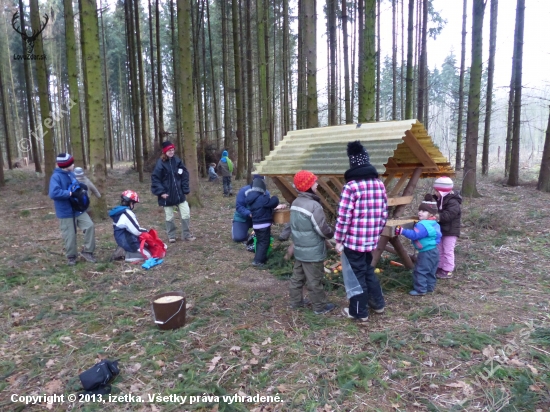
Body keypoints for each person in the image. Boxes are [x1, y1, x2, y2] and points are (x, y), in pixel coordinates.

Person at [334, 141, 388, 322]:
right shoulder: (379, 185)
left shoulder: (351, 187)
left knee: (356, 276)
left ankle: (359, 312)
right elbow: (383, 214)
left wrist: (339, 239)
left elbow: (343, 217)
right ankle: (378, 304)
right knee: (367, 271)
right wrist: (376, 234)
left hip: (354, 242)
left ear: (352, 164)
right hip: (371, 239)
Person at [289, 170, 336, 315]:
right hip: (313, 251)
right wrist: (332, 233)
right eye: (314, 182)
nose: (317, 184)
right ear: (308, 186)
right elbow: (321, 229)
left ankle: (296, 302)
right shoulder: (314, 206)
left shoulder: (295, 203)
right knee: (314, 280)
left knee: (297, 277)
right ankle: (319, 307)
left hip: (300, 249)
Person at [48, 153, 96, 266]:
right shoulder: (56, 177)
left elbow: (75, 185)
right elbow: (53, 193)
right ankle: (71, 256)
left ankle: (88, 252)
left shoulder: (71, 174)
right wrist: (69, 193)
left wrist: (81, 186)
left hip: (78, 209)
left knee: (89, 226)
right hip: (65, 211)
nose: (73, 165)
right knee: (70, 234)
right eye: (71, 163)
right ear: (66, 165)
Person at [395, 195, 442, 296]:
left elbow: (415, 235)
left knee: (420, 270)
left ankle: (421, 290)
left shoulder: (422, 225)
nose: (420, 212)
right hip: (434, 250)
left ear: (431, 214)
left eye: (424, 211)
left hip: (426, 252)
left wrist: (402, 231)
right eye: (419, 210)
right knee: (431, 270)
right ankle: (430, 287)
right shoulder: (434, 223)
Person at [151, 141, 196, 243]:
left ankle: (186, 234)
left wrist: (185, 189)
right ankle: (171, 236)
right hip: (167, 195)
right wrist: (161, 192)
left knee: (186, 214)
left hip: (179, 194)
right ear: (165, 151)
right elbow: (155, 179)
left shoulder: (177, 161)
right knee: (169, 216)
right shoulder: (160, 164)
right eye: (169, 150)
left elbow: (184, 174)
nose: (171, 152)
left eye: (172, 150)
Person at [430, 176, 462, 279]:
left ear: (442, 191)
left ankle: (448, 269)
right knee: (439, 248)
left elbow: (449, 215)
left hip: (451, 231)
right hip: (441, 229)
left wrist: (437, 217)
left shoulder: (453, 202)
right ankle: (440, 266)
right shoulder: (439, 199)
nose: (435, 193)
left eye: (436, 191)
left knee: (448, 250)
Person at [245, 177, 280, 268]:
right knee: (264, 242)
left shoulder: (252, 199)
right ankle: (258, 261)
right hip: (263, 225)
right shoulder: (262, 198)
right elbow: (273, 203)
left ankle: (260, 258)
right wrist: (275, 197)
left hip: (256, 224)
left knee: (260, 241)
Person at [108, 190, 151, 262]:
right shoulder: (127, 213)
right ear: (130, 203)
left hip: (122, 238)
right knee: (149, 255)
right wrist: (147, 231)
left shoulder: (119, 211)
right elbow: (137, 231)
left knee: (146, 247)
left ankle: (124, 249)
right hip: (128, 241)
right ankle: (126, 254)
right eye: (133, 203)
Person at [232, 175, 270, 242]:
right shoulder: (244, 190)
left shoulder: (266, 192)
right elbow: (239, 206)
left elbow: (267, 206)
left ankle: (257, 231)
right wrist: (249, 213)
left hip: (258, 219)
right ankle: (238, 229)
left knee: (263, 237)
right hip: (242, 218)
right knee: (238, 238)